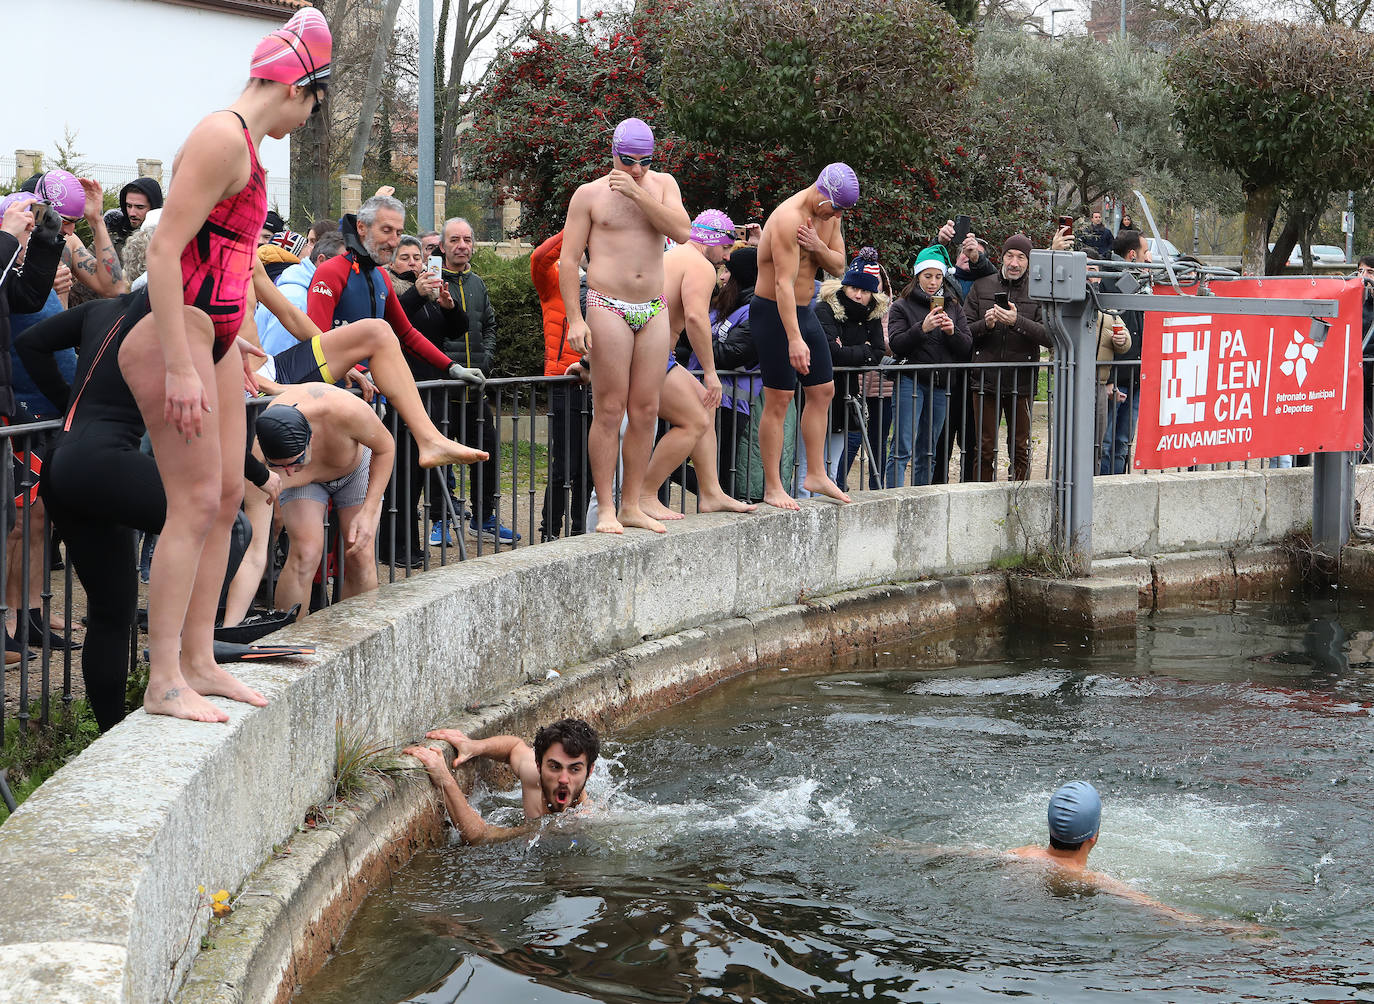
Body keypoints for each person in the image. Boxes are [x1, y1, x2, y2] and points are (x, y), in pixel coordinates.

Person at [109, 7, 332, 722]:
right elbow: (162, 252)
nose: (307, 121)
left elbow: (222, 261)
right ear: (296, 88)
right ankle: (163, 678)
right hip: (175, 341)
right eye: (313, 105)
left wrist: (230, 342)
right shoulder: (222, 137)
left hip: (212, 342)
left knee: (231, 496)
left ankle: (200, 660)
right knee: (197, 503)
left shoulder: (245, 146)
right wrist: (182, 364)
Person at [559, 117, 691, 534]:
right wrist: (575, 319)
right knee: (610, 409)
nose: (636, 169)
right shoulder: (589, 194)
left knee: (646, 410)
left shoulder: (663, 185)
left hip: (653, 306)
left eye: (645, 162)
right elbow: (567, 261)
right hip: (607, 304)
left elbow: (682, 232)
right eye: (628, 161)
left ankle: (632, 504)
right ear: (613, 153)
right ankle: (606, 509)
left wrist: (638, 192)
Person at [303, 195, 489, 469]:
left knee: (375, 485)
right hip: (336, 398)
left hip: (372, 399)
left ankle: (431, 441)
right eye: (386, 230)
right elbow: (315, 339)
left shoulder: (380, 277)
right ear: (362, 228)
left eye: (399, 232)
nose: (393, 241)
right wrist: (352, 369)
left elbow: (407, 334)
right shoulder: (331, 272)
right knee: (334, 483)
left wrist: (451, 367)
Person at [640, 210, 757, 519]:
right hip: (652, 355)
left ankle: (711, 491)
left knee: (706, 405)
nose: (728, 257)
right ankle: (645, 494)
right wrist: (710, 372)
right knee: (693, 421)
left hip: (653, 354)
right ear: (711, 240)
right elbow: (695, 318)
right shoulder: (700, 265)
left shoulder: (674, 256)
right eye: (726, 248)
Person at [752, 163, 856, 509]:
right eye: (836, 208)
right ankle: (772, 486)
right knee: (780, 398)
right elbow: (782, 283)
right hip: (773, 312)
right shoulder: (788, 218)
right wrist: (794, 339)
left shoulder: (830, 216)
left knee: (824, 390)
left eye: (842, 211)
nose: (837, 215)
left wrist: (817, 246)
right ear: (821, 193)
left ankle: (816, 473)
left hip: (804, 310)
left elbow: (839, 267)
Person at [257, 383, 395, 620]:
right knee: (305, 554)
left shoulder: (347, 411)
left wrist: (368, 511)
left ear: (310, 438)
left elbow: (386, 447)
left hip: (354, 468)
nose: (288, 471)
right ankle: (289, 634)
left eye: (295, 462)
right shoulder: (265, 441)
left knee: (360, 553)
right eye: (279, 465)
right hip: (306, 482)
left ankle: (356, 632)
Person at [1007, 781, 1207, 923]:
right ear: (1093, 836)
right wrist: (1214, 926)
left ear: (1050, 825)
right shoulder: (1092, 880)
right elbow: (1156, 908)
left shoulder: (1023, 854)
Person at [433, 216, 515, 543]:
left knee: (486, 456)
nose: (462, 246)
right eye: (454, 240)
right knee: (440, 459)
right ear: (442, 246)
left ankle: (484, 519)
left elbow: (490, 326)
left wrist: (486, 360)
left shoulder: (477, 284)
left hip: (475, 393)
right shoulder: (432, 282)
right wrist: (444, 366)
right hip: (442, 391)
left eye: (467, 239)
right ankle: (440, 520)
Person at [404, 718, 600, 845]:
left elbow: (479, 837)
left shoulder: (574, 823)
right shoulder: (534, 775)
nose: (563, 779)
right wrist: (474, 746)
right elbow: (514, 747)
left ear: (590, 771)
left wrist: (444, 779)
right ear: (539, 765)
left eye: (575, 769)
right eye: (555, 767)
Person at [964, 234, 1052, 482]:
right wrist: (986, 324)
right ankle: (982, 496)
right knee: (984, 447)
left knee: (1021, 447)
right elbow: (964, 331)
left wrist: (1017, 321)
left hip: (1021, 380)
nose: (1014, 263)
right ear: (1001, 257)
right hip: (985, 379)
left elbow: (1049, 336)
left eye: (1021, 257)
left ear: (1029, 262)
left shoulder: (1038, 290)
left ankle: (1020, 497)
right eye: (1010, 256)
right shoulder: (982, 285)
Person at [887, 245, 972, 488]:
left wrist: (952, 332)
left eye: (938, 276)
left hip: (940, 384)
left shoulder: (953, 306)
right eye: (927, 276)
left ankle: (921, 499)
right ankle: (893, 498)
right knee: (901, 447)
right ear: (918, 276)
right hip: (910, 381)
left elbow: (966, 347)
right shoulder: (901, 306)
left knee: (928, 450)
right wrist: (922, 328)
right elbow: (896, 344)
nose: (933, 282)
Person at [811, 247, 886, 493]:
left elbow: (877, 353)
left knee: (832, 467)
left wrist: (848, 350)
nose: (858, 295)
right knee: (807, 466)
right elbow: (830, 352)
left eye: (865, 291)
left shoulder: (872, 315)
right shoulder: (825, 308)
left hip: (846, 394)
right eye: (854, 288)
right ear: (845, 286)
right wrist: (862, 350)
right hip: (816, 391)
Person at [533, 230, 592, 540]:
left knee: (592, 466)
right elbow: (539, 259)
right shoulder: (554, 279)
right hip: (564, 381)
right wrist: (577, 227)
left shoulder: (606, 282)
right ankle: (550, 532)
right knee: (565, 465)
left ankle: (582, 531)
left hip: (599, 381)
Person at [26, 170, 126, 302]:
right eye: (65, 222)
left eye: (76, 222)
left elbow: (114, 289)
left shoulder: (69, 241)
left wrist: (96, 220)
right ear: (41, 209)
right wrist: (35, 285)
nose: (70, 231)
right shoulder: (13, 239)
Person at [1099, 229, 1151, 475]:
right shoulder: (1108, 280)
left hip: (1135, 377)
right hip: (1117, 378)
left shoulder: (1138, 281)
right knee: (1107, 442)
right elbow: (1104, 331)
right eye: (1145, 252)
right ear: (1132, 254)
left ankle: (1118, 485)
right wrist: (1109, 379)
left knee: (1122, 443)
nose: (1148, 258)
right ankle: (1104, 487)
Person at [105, 177, 164, 260]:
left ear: (154, 208)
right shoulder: (112, 234)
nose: (132, 213)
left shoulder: (167, 242)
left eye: (139, 207)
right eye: (129, 206)